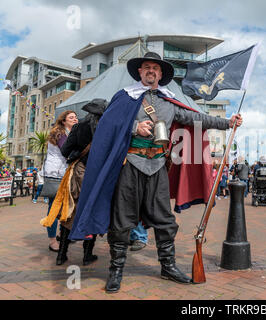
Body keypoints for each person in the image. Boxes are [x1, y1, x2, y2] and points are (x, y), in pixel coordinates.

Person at [67, 52, 243, 293]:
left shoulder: (169, 102)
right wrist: (134, 127)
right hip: (130, 165)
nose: (151, 71)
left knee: (164, 219)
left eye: (155, 69)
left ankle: (167, 266)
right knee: (122, 221)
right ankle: (116, 271)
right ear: (140, 72)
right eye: (147, 67)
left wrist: (228, 122)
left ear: (161, 74)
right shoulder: (125, 97)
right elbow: (105, 123)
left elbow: (196, 118)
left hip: (158, 166)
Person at [42, 100, 105, 265]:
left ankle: (61, 255)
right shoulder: (108, 126)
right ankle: (87, 255)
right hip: (98, 174)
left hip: (79, 173)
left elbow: (65, 151)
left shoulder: (79, 126)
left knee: (69, 211)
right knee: (93, 211)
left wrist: (78, 152)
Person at [42, 110, 78, 252]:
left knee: (67, 205)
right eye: (71, 117)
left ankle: (63, 234)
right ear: (64, 121)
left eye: (75, 117)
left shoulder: (70, 133)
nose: (75, 119)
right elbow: (66, 150)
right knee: (53, 207)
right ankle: (52, 241)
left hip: (65, 172)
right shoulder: (60, 133)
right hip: (55, 174)